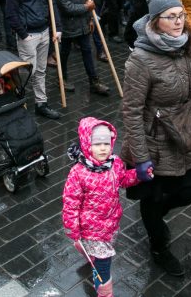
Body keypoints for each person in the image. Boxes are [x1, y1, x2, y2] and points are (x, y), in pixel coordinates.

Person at [122, 0, 191, 277]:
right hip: (155, 140)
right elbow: (131, 111)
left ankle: (156, 219)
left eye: (181, 16)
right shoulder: (140, 60)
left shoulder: (187, 45)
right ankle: (159, 246)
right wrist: (141, 156)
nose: (178, 21)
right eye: (171, 17)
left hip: (184, 133)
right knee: (154, 198)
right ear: (155, 21)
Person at [63, 118, 140, 296]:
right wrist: (73, 230)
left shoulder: (115, 164)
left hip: (111, 223)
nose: (103, 148)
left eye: (106, 143)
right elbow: (71, 203)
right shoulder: (78, 173)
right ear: (86, 144)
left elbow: (123, 180)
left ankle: (89, 253)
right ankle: (105, 292)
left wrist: (138, 175)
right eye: (97, 144)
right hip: (91, 229)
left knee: (102, 255)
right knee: (105, 264)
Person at [6, 0, 62, 119]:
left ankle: (41, 103)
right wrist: (23, 35)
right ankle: (17, 101)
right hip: (28, 35)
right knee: (27, 72)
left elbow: (52, 5)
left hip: (44, 32)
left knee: (41, 70)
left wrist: (57, 28)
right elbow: (10, 13)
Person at [53, 0, 110, 97]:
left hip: (83, 22)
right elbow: (67, 7)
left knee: (88, 52)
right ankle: (62, 78)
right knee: (64, 53)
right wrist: (86, 8)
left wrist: (90, 17)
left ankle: (94, 81)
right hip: (68, 25)